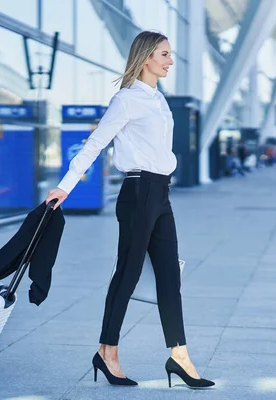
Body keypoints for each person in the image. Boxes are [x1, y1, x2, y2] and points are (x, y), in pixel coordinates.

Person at [45, 31, 214, 389]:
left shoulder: (158, 99)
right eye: (165, 54)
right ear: (146, 57)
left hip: (160, 193)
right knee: (128, 273)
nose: (170, 60)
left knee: (169, 276)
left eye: (171, 54)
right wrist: (66, 186)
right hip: (138, 192)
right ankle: (107, 352)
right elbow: (95, 145)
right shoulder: (126, 100)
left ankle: (179, 356)